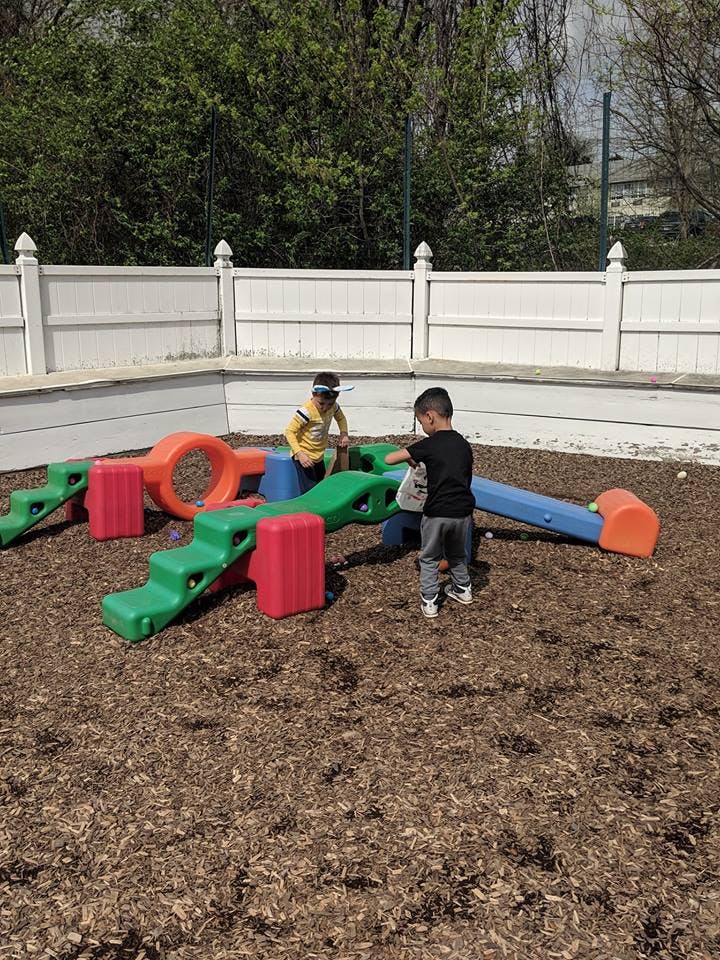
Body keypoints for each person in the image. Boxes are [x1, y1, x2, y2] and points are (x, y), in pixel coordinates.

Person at [384, 387, 475, 618]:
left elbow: (390, 458)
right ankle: (463, 589)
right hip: (463, 512)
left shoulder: (430, 444)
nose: (422, 427)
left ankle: (430, 601)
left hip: (437, 513)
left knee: (429, 557)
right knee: (456, 553)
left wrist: (412, 455)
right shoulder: (464, 445)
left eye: (420, 421)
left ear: (430, 416)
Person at [285, 372, 352, 492]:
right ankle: (308, 508)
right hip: (303, 456)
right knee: (310, 489)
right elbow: (289, 432)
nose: (325, 408)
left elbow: (341, 418)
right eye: (321, 403)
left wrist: (344, 433)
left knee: (321, 485)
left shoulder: (334, 406)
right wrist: (300, 454)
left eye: (329, 404)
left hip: (318, 455)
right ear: (314, 394)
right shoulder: (306, 412)